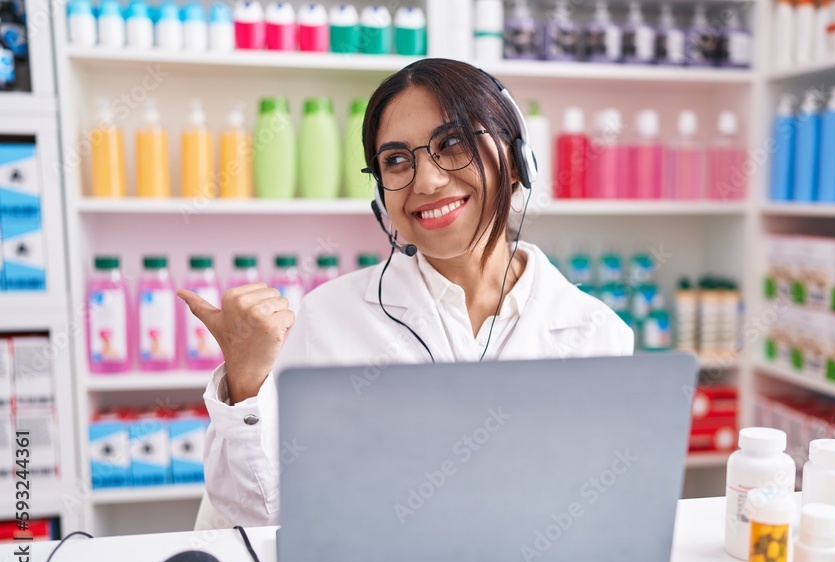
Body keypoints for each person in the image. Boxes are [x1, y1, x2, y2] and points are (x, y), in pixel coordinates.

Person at [178, 59, 633, 527]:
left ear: (517, 161)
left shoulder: (596, 333)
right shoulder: (327, 319)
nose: (427, 182)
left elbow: (602, 515)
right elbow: (256, 515)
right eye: (396, 161)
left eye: (452, 144)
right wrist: (247, 380)